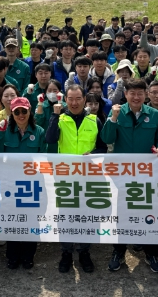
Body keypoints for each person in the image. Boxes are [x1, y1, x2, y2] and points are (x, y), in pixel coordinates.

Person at [102, 79, 158, 273]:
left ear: (145, 94)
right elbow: (107, 138)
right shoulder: (117, 112)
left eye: (140, 93)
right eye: (132, 93)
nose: (136, 97)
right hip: (122, 174)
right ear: (126, 95)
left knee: (148, 212)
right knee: (121, 213)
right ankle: (118, 252)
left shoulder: (154, 114)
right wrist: (113, 118)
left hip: (146, 174)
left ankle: (151, 253)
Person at [45, 85, 107, 273]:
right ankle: (66, 252)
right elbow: (50, 139)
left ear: (84, 100)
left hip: (90, 177)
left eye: (78, 98)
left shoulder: (94, 120)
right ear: (65, 100)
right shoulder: (59, 118)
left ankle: (84, 252)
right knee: (65, 215)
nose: (74, 102)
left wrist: (93, 154)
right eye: (70, 99)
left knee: (87, 216)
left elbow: (103, 147)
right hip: (66, 177)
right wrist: (54, 116)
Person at [0, 97, 46, 269]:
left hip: (32, 183)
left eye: (24, 111)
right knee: (12, 219)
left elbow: (45, 157)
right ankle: (12, 256)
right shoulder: (5, 130)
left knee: (31, 220)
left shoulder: (39, 131)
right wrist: (0, 134)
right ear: (12, 114)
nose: (21, 115)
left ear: (30, 112)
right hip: (10, 183)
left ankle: (28, 256)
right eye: (17, 112)